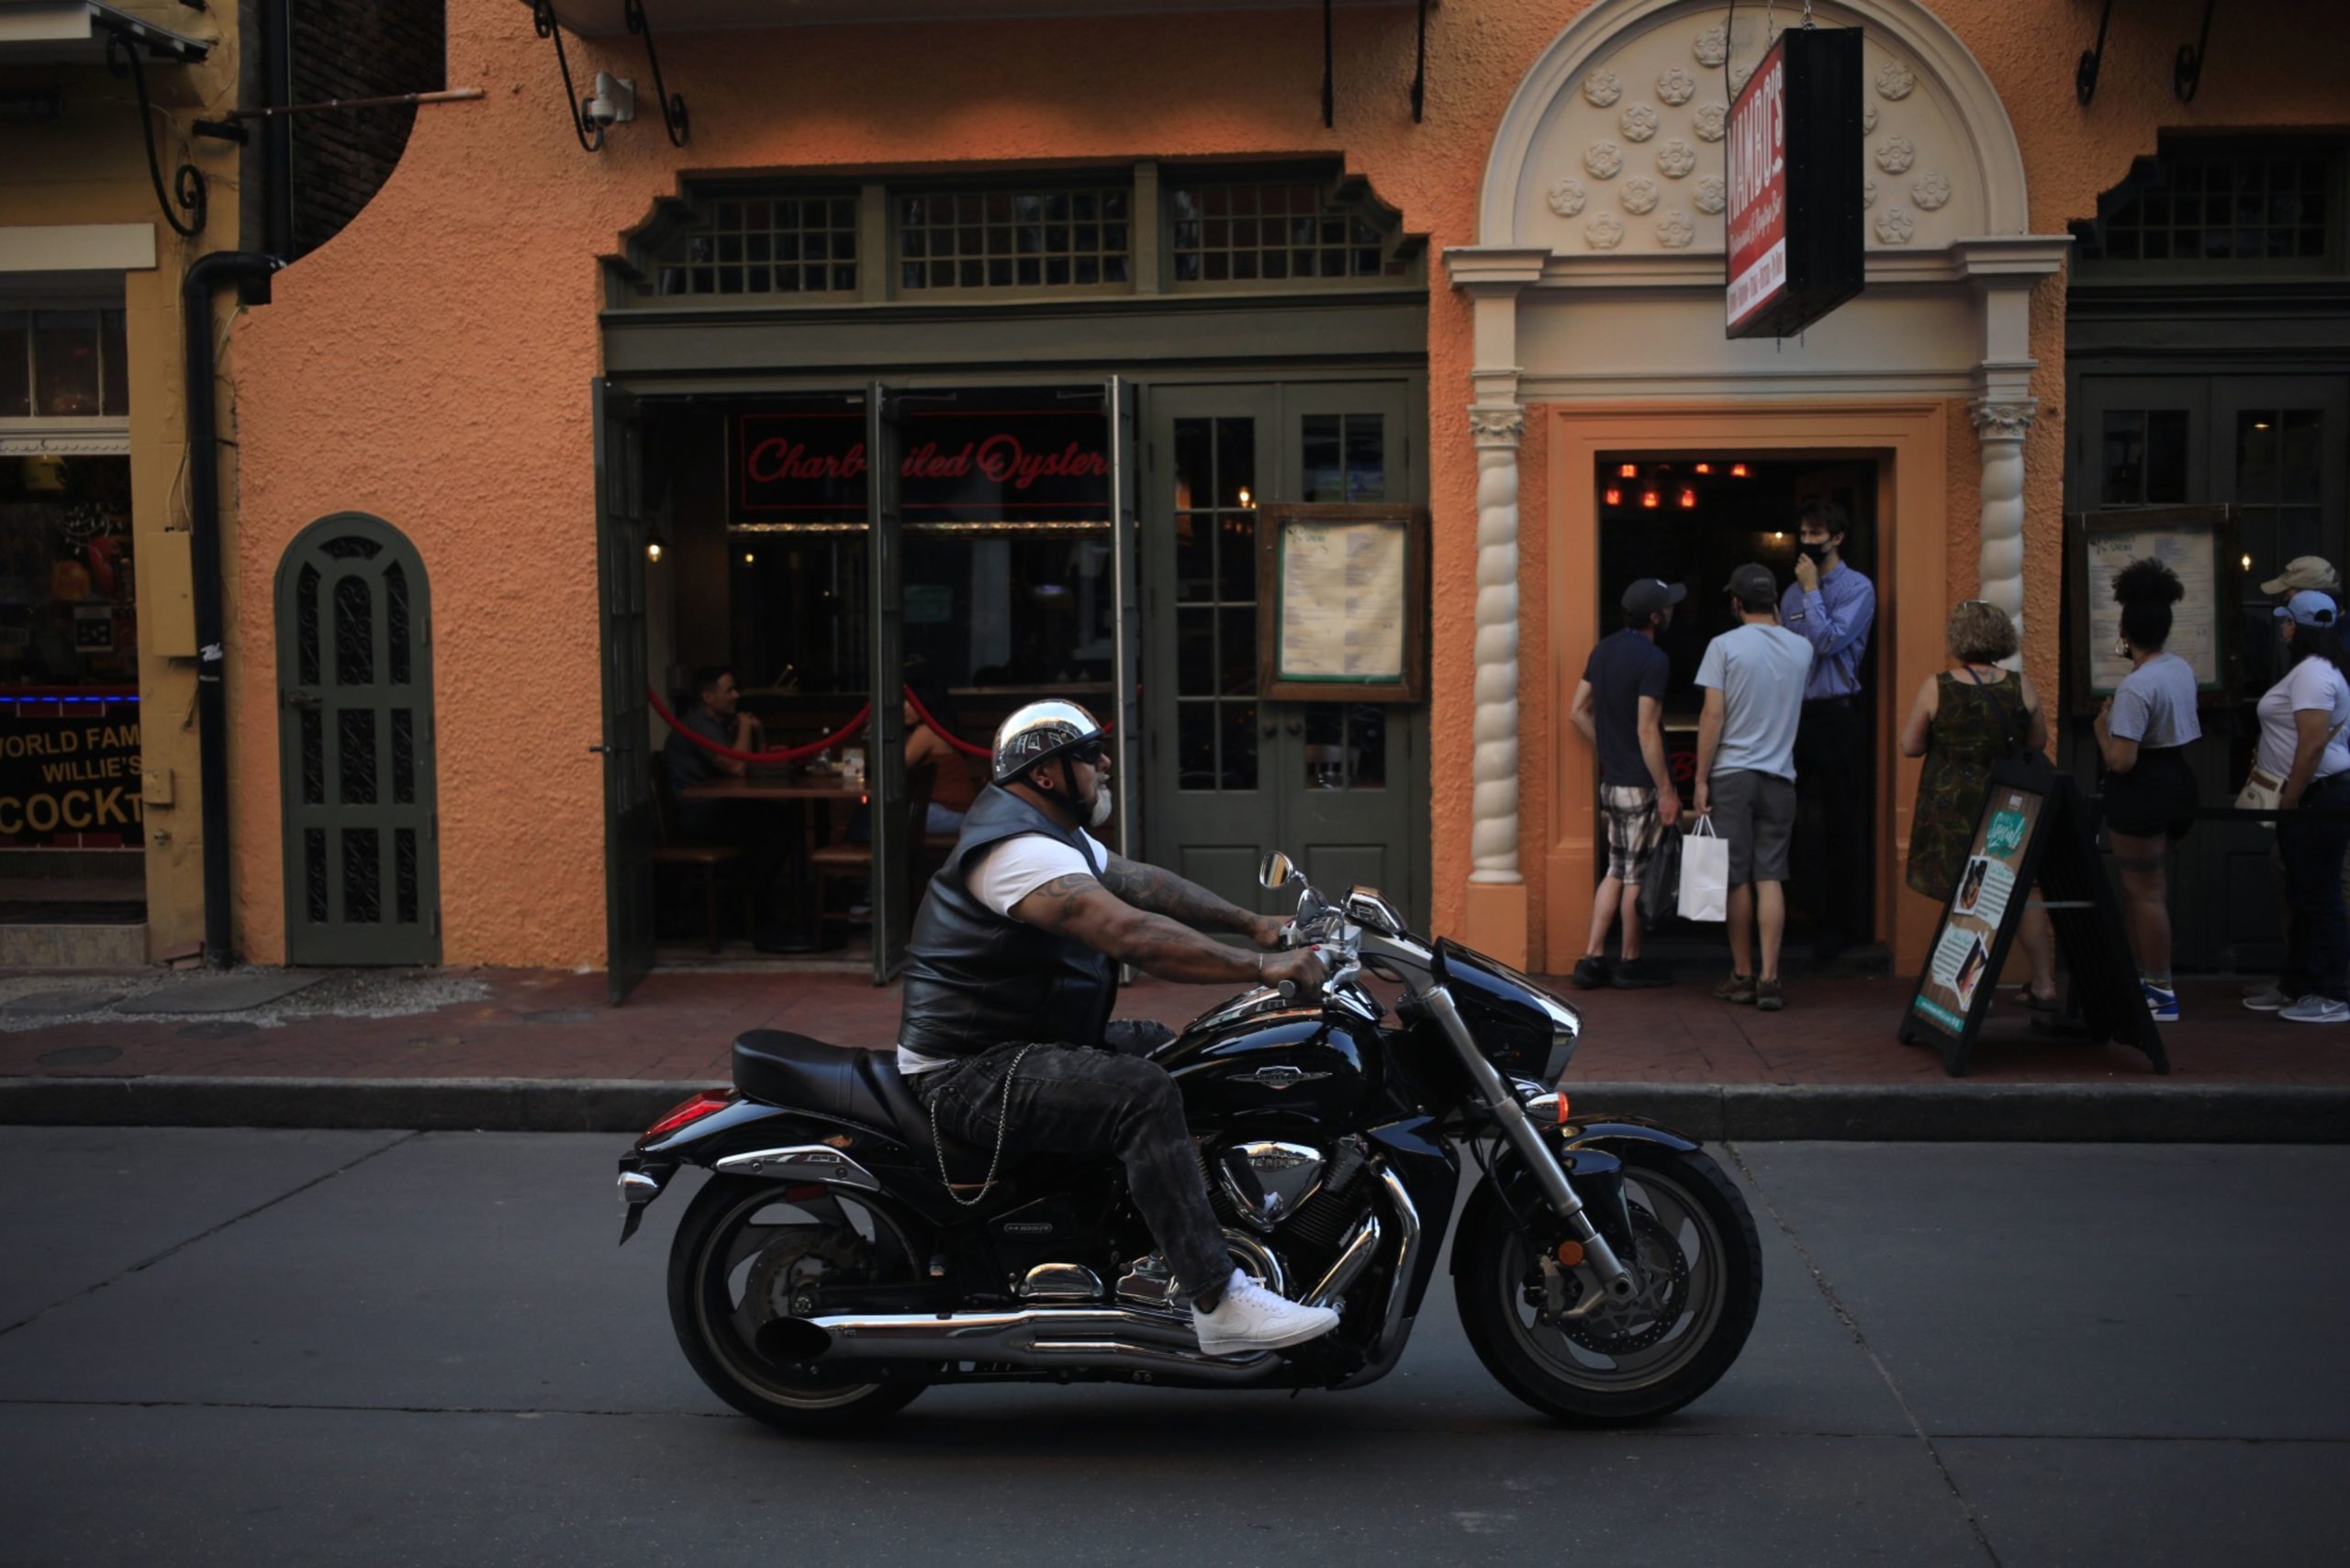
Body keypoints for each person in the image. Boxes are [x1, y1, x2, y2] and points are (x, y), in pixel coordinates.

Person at [896, 700, 1339, 1356]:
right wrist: (1263, 964)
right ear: (1046, 775)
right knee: (1142, 1091)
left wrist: (1258, 923)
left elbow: (1144, 885)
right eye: (1088, 753)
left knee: (1181, 1050)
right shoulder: (1015, 851)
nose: (1103, 763)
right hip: (971, 1069)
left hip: (1027, 1042)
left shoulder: (1052, 836)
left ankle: (1169, 1232)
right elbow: (1132, 933)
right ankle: (1218, 1299)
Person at [1898, 599, 2058, 1013]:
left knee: (1963, 893)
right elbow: (2037, 742)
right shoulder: (2019, 685)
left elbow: (1910, 746)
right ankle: (2043, 983)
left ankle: (1971, 991)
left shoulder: (1938, 686)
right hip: (2007, 805)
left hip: (1952, 809)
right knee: (2022, 891)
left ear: (1958, 637)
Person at [1695, 564, 1814, 1013]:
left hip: (1731, 774)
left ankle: (1742, 973)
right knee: (1771, 875)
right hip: (1781, 775)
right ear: (1776, 604)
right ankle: (1771, 978)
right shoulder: (1801, 649)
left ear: (1735, 603)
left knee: (1736, 877)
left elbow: (1712, 716)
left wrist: (1701, 778)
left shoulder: (1723, 647)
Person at [2092, 559, 2200, 1024]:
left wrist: (2102, 728)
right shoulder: (2179, 669)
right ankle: (2149, 982)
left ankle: (2159, 989)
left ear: (2126, 629)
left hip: (2142, 789)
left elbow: (2121, 759)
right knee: (2151, 889)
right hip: (2177, 779)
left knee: (2144, 891)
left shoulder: (2137, 686)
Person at [1567, 578, 1686, 990]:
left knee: (1616, 869)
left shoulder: (1603, 650)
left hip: (1614, 779)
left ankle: (1592, 957)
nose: (1671, 612)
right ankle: (1630, 961)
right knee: (1635, 874)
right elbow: (1648, 730)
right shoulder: (1653, 659)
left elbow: (1577, 710)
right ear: (1655, 616)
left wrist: (1609, 747)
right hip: (1640, 783)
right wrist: (1668, 791)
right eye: (1667, 607)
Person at [2243, 592, 2350, 1024]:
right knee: (2303, 892)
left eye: (2287, 622)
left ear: (2299, 627)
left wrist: (2291, 796)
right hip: (2315, 794)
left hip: (2316, 795)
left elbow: (2311, 742)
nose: (2283, 629)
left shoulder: (2312, 675)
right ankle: (2298, 982)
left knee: (2319, 895)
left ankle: (2331, 992)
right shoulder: (2316, 670)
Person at [1779, 499, 1878, 964]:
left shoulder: (1857, 587)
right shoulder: (1790, 593)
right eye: (1803, 533)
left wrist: (1812, 590)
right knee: (1792, 818)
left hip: (1838, 714)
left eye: (1816, 534)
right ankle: (1795, 911)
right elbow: (1786, 652)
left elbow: (1826, 641)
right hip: (1797, 715)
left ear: (1837, 538)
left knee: (1839, 821)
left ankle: (1837, 925)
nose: (1807, 542)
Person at [661, 666, 791, 950]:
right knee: (773, 828)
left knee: (779, 819)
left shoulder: (718, 724)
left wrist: (757, 731)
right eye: (729, 690)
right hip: (698, 815)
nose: (736, 695)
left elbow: (752, 767)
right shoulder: (699, 725)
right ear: (708, 696)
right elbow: (736, 766)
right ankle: (754, 911)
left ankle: (757, 907)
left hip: (717, 807)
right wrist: (745, 729)